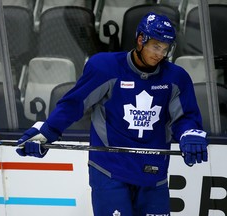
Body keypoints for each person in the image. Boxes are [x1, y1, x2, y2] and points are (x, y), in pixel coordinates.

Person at [16, 12, 208, 216]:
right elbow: (74, 104)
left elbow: (185, 117)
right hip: (110, 171)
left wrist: (190, 133)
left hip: (153, 173)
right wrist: (47, 131)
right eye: (155, 46)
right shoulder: (106, 68)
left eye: (165, 48)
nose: (160, 54)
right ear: (140, 40)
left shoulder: (176, 78)